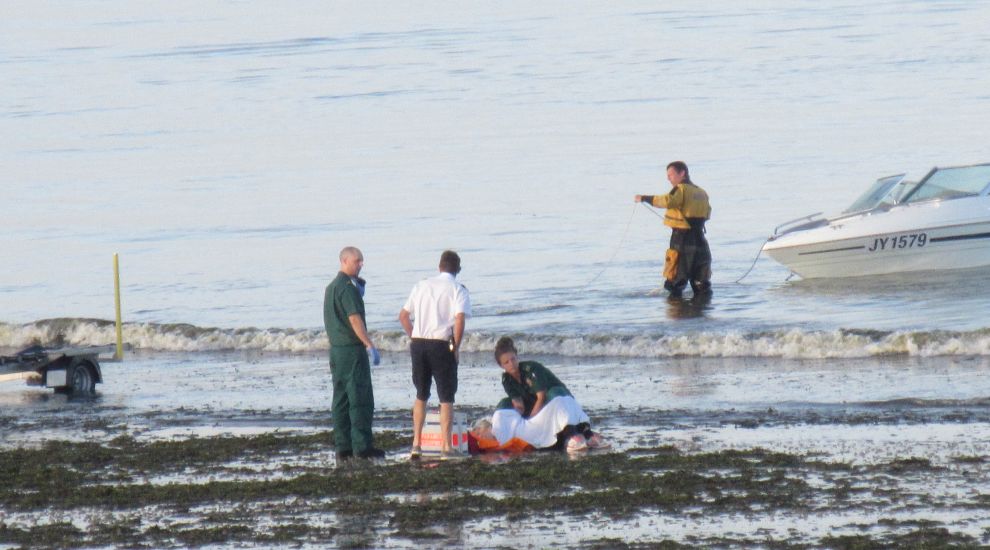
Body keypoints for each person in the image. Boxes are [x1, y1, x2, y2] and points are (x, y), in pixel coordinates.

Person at [399, 250, 471, 460]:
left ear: (439, 266)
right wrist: (455, 347)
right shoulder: (458, 289)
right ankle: (446, 447)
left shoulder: (421, 285)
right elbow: (459, 320)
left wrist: (414, 336)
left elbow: (403, 316)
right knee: (446, 396)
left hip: (419, 343)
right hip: (441, 344)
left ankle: (416, 444)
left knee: (421, 394)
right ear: (458, 269)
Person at [323, 246, 384, 462]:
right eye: (357, 261)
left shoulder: (331, 287)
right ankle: (362, 446)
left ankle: (343, 447)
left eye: (361, 261)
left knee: (340, 399)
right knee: (359, 398)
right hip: (351, 350)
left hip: (336, 351)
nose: (360, 265)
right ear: (345, 261)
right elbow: (354, 319)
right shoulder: (347, 287)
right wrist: (369, 344)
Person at [492, 336, 604, 450]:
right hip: (537, 408)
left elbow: (541, 397)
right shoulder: (507, 380)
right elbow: (519, 405)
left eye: (513, 359)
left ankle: (577, 434)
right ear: (501, 365)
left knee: (555, 393)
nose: (511, 364)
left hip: (556, 401)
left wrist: (531, 419)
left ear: (517, 356)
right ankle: (502, 434)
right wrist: (522, 425)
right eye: (506, 362)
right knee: (505, 403)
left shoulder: (531, 368)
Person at [634, 161, 713, 297]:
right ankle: (702, 314)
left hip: (682, 240)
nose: (668, 178)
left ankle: (677, 314)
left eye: (671, 174)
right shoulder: (702, 192)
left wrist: (644, 198)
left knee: (675, 281)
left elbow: (668, 200)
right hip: (700, 240)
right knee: (701, 283)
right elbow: (708, 212)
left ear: (682, 173)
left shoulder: (681, 189)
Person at [471, 394, 605, 453]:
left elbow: (506, 420)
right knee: (559, 407)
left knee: (562, 402)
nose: (480, 437)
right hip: (531, 434)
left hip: (528, 428)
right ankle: (579, 435)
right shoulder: (492, 444)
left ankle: (585, 433)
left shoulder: (498, 422)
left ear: (482, 429)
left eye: (479, 433)